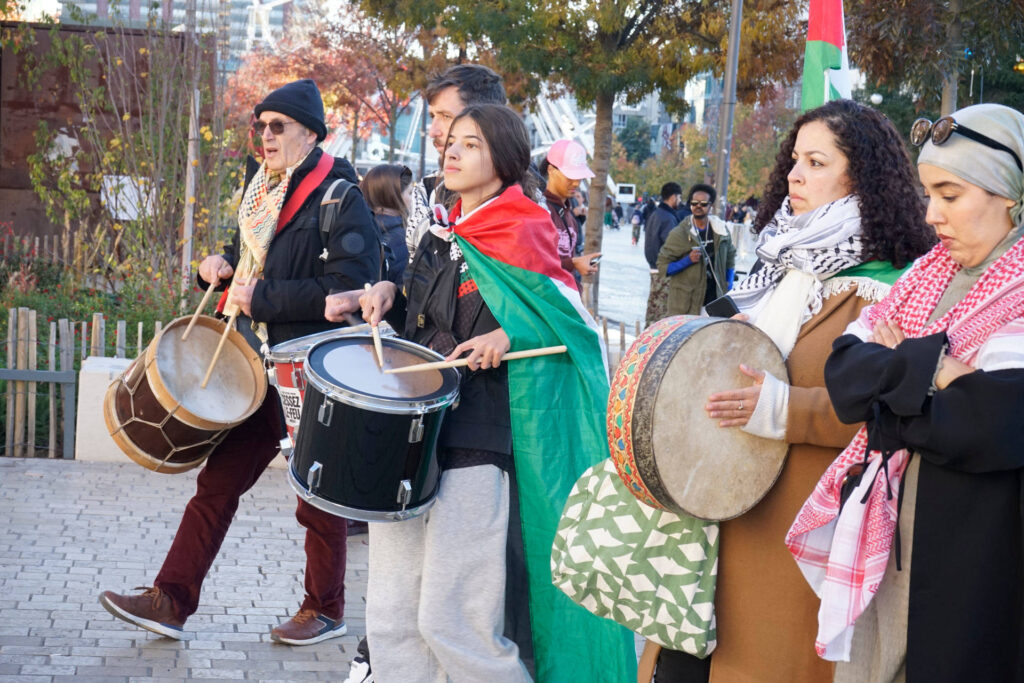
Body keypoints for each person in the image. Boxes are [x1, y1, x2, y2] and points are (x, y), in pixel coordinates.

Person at [332, 103, 637, 682]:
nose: (451, 151)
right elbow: (417, 304)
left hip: (479, 436)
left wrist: (508, 331)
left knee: (453, 620)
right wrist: (382, 291)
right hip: (409, 431)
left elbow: (569, 321)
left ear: (503, 157)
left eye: (469, 144)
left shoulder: (525, 226)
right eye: (450, 140)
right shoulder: (441, 226)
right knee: (393, 621)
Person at [651, 99, 934, 682]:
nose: (793, 177)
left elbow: (887, 407)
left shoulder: (893, 285)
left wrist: (782, 410)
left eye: (816, 162)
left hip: (797, 528)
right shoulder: (777, 262)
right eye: (794, 161)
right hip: (718, 515)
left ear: (864, 177)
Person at [98, 79, 381, 645]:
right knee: (217, 485)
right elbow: (245, 257)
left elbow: (352, 287)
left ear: (310, 132)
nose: (266, 136)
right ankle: (170, 600)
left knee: (316, 497)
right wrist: (218, 266)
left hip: (310, 369)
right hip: (255, 364)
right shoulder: (261, 189)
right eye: (261, 126)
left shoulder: (340, 197)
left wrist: (263, 297)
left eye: (279, 126)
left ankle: (324, 610)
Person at [787, 103, 1024, 682]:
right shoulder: (927, 272)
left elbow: (986, 426)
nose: (932, 214)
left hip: (972, 555)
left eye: (950, 194)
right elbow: (846, 374)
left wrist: (899, 374)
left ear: (1009, 197)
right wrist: (940, 369)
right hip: (885, 532)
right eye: (927, 194)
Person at [405, 64, 507, 258]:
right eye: (433, 116)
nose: (433, 130)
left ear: (488, 120)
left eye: (446, 116)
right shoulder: (426, 190)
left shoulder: (529, 198)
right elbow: (416, 274)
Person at [656, 183, 737, 315]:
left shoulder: (720, 231)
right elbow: (663, 267)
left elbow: (730, 258)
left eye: (703, 203)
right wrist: (687, 260)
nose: (698, 206)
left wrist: (729, 286)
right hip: (686, 305)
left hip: (715, 302)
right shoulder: (680, 233)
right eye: (694, 203)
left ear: (710, 206)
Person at [540, 138, 600, 288]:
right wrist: (573, 263)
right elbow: (534, 264)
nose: (576, 183)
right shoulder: (540, 211)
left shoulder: (569, 215)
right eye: (570, 176)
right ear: (551, 170)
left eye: (579, 177)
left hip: (564, 298)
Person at [362, 163, 413, 284]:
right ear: (394, 196)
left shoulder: (356, 229)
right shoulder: (406, 239)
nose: (413, 198)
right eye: (410, 193)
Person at [643, 181, 683, 326]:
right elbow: (672, 247)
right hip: (664, 271)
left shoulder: (656, 214)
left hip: (654, 268)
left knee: (652, 311)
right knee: (660, 314)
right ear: (673, 197)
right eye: (679, 197)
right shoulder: (668, 218)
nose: (680, 201)